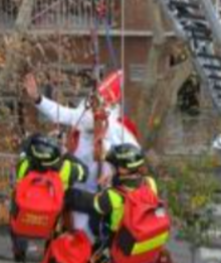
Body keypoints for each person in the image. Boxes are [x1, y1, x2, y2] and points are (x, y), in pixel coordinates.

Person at [25, 72, 139, 243]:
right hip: (79, 184)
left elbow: (135, 153)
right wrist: (38, 99)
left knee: (87, 234)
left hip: (99, 193)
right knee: (73, 230)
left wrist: (112, 163)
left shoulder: (116, 131)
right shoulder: (82, 116)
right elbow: (60, 113)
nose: (94, 114)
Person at [10, 134, 88, 259]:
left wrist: (30, 141)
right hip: (49, 221)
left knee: (15, 203)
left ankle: (19, 251)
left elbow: (24, 153)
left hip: (24, 218)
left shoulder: (24, 166)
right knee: (65, 206)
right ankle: (50, 253)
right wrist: (68, 155)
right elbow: (85, 173)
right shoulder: (65, 168)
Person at [91, 143, 160, 252]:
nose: (112, 170)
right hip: (141, 233)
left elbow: (96, 205)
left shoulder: (112, 195)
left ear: (123, 170)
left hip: (117, 239)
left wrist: (102, 187)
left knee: (94, 219)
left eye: (113, 167)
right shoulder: (150, 182)